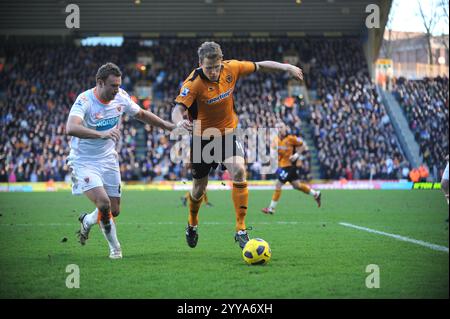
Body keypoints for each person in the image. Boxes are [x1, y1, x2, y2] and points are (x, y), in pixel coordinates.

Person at [171, 41, 303, 249]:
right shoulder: (193, 83)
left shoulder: (231, 68)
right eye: (208, 68)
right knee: (198, 189)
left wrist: (286, 67)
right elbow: (177, 108)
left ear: (221, 62)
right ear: (200, 64)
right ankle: (192, 223)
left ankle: (240, 229)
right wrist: (179, 121)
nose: (213, 72)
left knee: (240, 170)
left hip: (228, 134)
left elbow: (260, 65)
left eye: (216, 67)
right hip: (202, 138)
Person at [66, 62, 176, 259]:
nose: (117, 90)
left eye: (119, 85)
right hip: (84, 161)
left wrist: (168, 126)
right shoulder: (84, 101)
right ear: (100, 83)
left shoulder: (121, 97)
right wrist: (101, 134)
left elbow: (141, 114)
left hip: (108, 159)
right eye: (113, 86)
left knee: (114, 210)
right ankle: (115, 249)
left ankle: (88, 221)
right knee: (103, 203)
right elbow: (71, 128)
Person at [262, 123, 321, 215]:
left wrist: (297, 154)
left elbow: (303, 145)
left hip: (290, 166)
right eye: (277, 127)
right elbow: (273, 153)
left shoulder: (291, 138)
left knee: (278, 185)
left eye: (281, 127)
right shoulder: (275, 140)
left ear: (285, 128)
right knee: (297, 185)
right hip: (282, 166)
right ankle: (315, 194)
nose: (279, 129)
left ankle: (271, 208)